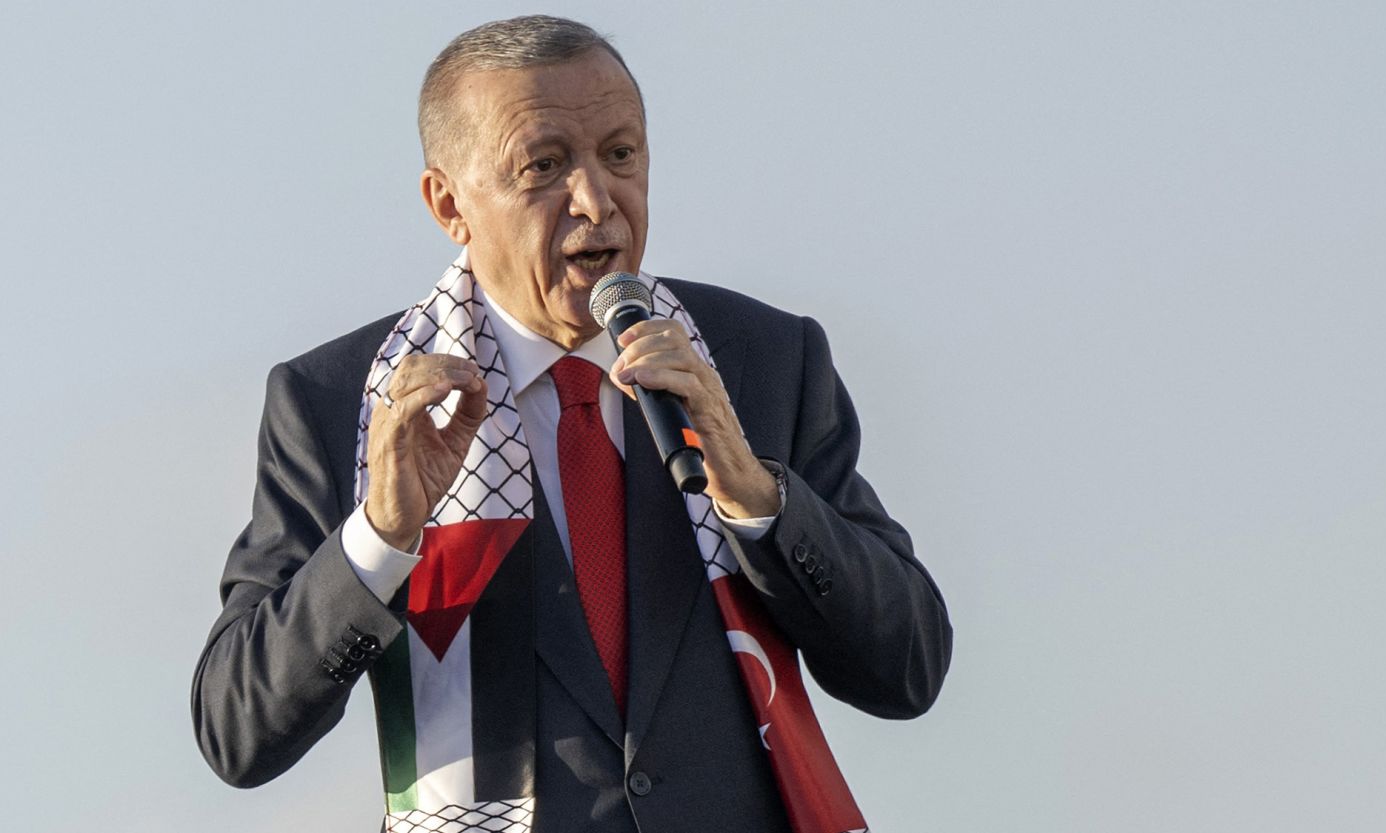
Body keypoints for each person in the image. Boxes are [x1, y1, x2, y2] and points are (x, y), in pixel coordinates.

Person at [192, 15, 951, 833]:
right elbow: (238, 730)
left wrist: (757, 494)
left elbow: (906, 668)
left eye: (620, 155)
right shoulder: (343, 398)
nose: (596, 198)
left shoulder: (761, 359)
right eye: (545, 166)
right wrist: (380, 536)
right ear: (449, 203)